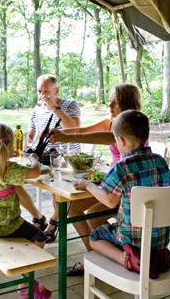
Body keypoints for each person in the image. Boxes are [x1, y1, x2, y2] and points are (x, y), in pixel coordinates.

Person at [48, 83, 142, 275]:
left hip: (127, 191)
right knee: (72, 207)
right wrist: (60, 134)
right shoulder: (113, 120)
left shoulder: (134, 125)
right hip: (115, 180)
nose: (109, 104)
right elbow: (83, 131)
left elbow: (109, 138)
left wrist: (68, 138)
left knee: (86, 217)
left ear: (125, 103)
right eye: (109, 99)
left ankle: (107, 257)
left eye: (114, 101)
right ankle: (97, 256)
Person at [73, 110, 170, 278]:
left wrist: (88, 185)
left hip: (132, 240)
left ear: (121, 140)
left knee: (95, 236)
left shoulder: (122, 167)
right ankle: (155, 256)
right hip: (160, 239)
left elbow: (109, 201)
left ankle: (126, 258)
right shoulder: (160, 161)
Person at [0, 122, 52, 299]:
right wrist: (34, 159)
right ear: (9, 145)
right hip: (6, 224)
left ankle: (11, 264)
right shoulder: (8, 168)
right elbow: (35, 172)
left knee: (26, 232)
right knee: (40, 236)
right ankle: (25, 283)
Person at [28, 74, 81, 242]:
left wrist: (55, 109)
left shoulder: (70, 105)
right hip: (44, 159)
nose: (42, 95)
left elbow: (74, 129)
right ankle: (37, 217)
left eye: (46, 91)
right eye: (39, 91)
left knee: (57, 190)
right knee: (12, 179)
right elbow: (31, 135)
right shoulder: (36, 110)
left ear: (56, 90)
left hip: (67, 159)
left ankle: (52, 223)